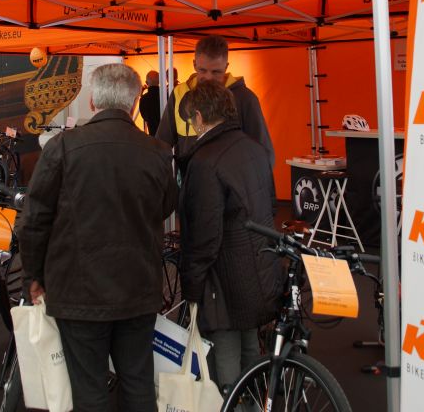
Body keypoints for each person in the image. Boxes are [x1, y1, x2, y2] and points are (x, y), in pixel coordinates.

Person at [18, 63, 177, 412]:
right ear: (134, 104)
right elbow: (165, 206)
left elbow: (34, 220)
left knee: (89, 390)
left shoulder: (62, 147)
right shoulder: (157, 151)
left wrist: (33, 276)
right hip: (137, 285)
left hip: (78, 290)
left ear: (92, 102)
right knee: (138, 383)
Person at [176, 81, 283, 393]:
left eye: (190, 120)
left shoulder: (205, 162)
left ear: (199, 116)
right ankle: (253, 402)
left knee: (225, 358)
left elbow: (203, 236)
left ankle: (231, 403)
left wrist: (191, 286)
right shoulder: (254, 149)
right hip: (257, 268)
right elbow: (271, 206)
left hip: (223, 278)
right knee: (250, 345)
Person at [156, 35, 274, 170]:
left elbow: (264, 155)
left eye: (216, 72)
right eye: (202, 70)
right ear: (194, 64)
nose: (208, 77)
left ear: (226, 67)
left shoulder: (245, 99)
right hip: (190, 182)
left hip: (229, 182)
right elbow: (161, 145)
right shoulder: (180, 94)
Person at [138, 70, 161, 135]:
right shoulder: (166, 96)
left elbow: (144, 116)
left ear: (146, 82)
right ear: (159, 81)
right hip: (167, 136)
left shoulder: (144, 99)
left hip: (152, 133)